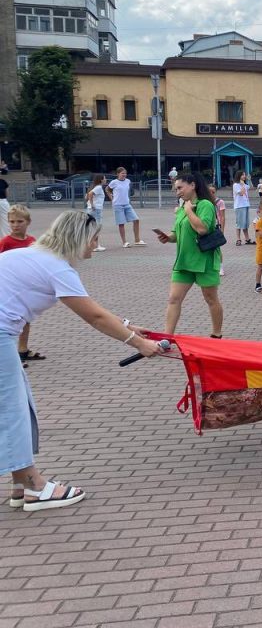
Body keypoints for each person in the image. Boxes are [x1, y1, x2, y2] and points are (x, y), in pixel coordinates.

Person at [1, 211, 163, 512]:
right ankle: (35, 487)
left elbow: (91, 307)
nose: (95, 245)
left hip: (4, 336)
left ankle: (21, 483)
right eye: (94, 238)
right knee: (12, 412)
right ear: (80, 238)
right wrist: (140, 344)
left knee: (17, 407)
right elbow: (94, 316)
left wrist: (127, 326)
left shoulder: (35, 257)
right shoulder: (56, 267)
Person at [156, 175, 223, 338]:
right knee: (174, 299)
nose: (177, 192)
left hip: (204, 260)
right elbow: (177, 232)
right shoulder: (182, 206)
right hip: (184, 261)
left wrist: (188, 210)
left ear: (192, 185)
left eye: (180, 188)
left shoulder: (205, 204)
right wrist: (168, 237)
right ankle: (167, 338)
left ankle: (216, 335)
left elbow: (202, 229)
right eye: (175, 189)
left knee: (211, 299)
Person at [1, 204, 44, 365]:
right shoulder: (6, 242)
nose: (15, 225)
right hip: (9, 288)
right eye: (12, 222)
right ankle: (10, 355)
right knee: (11, 322)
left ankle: (22, 349)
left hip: (24, 286)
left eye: (20, 221)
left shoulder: (32, 241)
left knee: (25, 319)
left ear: (28, 222)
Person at [108, 167, 145, 248]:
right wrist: (112, 198)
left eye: (125, 173)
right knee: (121, 223)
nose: (124, 175)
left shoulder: (128, 181)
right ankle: (124, 242)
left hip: (127, 204)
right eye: (122, 173)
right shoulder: (114, 182)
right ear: (118, 174)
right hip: (118, 205)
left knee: (136, 220)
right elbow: (107, 189)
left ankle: (137, 240)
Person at [85, 174, 109, 251]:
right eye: (104, 178)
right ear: (101, 180)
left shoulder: (94, 187)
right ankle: (95, 246)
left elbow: (87, 196)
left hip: (91, 209)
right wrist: (92, 205)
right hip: (96, 210)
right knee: (97, 227)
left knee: (93, 228)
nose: (105, 180)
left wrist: (90, 203)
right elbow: (90, 194)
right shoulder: (98, 187)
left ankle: (94, 245)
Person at [232, 170, 254, 245]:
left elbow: (251, 187)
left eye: (244, 175)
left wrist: (249, 180)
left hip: (246, 205)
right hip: (239, 206)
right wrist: (242, 185)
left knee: (245, 224)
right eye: (242, 175)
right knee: (239, 223)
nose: (244, 176)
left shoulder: (244, 184)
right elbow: (241, 193)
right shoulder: (236, 185)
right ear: (239, 176)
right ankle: (238, 239)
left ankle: (247, 239)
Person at [209, 183, 227, 277]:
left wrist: (222, 229)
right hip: (208, 226)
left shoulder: (220, 202)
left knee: (217, 248)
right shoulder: (205, 201)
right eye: (209, 192)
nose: (211, 193)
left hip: (216, 226)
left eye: (213, 192)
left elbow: (222, 217)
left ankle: (221, 267)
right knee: (208, 247)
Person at [0, 173, 10, 239]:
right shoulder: (3, 182)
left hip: (3, 202)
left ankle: (6, 239)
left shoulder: (3, 182)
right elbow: (6, 194)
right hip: (3, 201)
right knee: (6, 221)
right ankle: (7, 238)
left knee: (6, 220)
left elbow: (7, 194)